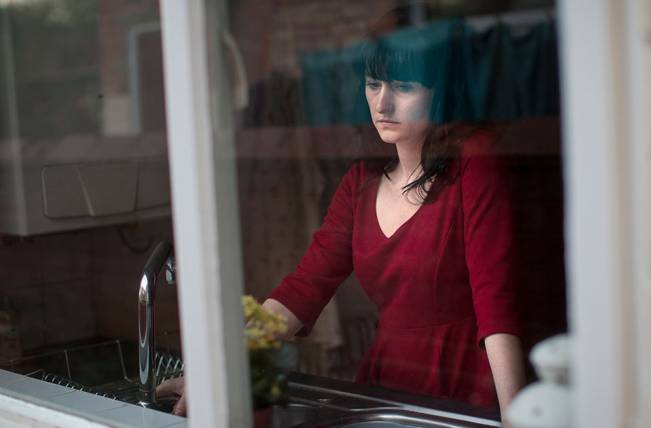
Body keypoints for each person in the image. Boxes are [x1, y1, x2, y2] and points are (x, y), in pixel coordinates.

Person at [159, 11, 525, 424]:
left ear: (440, 91)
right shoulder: (360, 181)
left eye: (403, 86)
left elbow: (496, 305)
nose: (382, 103)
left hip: (464, 385)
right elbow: (302, 289)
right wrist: (214, 376)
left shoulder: (473, 165)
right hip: (386, 387)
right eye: (374, 84)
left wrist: (516, 416)